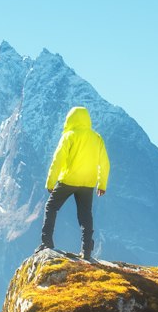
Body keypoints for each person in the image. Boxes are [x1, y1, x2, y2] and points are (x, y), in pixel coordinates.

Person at [39, 104, 110, 258]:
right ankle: (86, 251)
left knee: (51, 207)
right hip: (88, 183)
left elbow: (57, 160)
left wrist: (50, 183)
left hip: (69, 179)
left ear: (70, 119)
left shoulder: (69, 136)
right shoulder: (96, 138)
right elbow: (104, 163)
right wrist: (102, 183)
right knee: (85, 215)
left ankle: (47, 242)